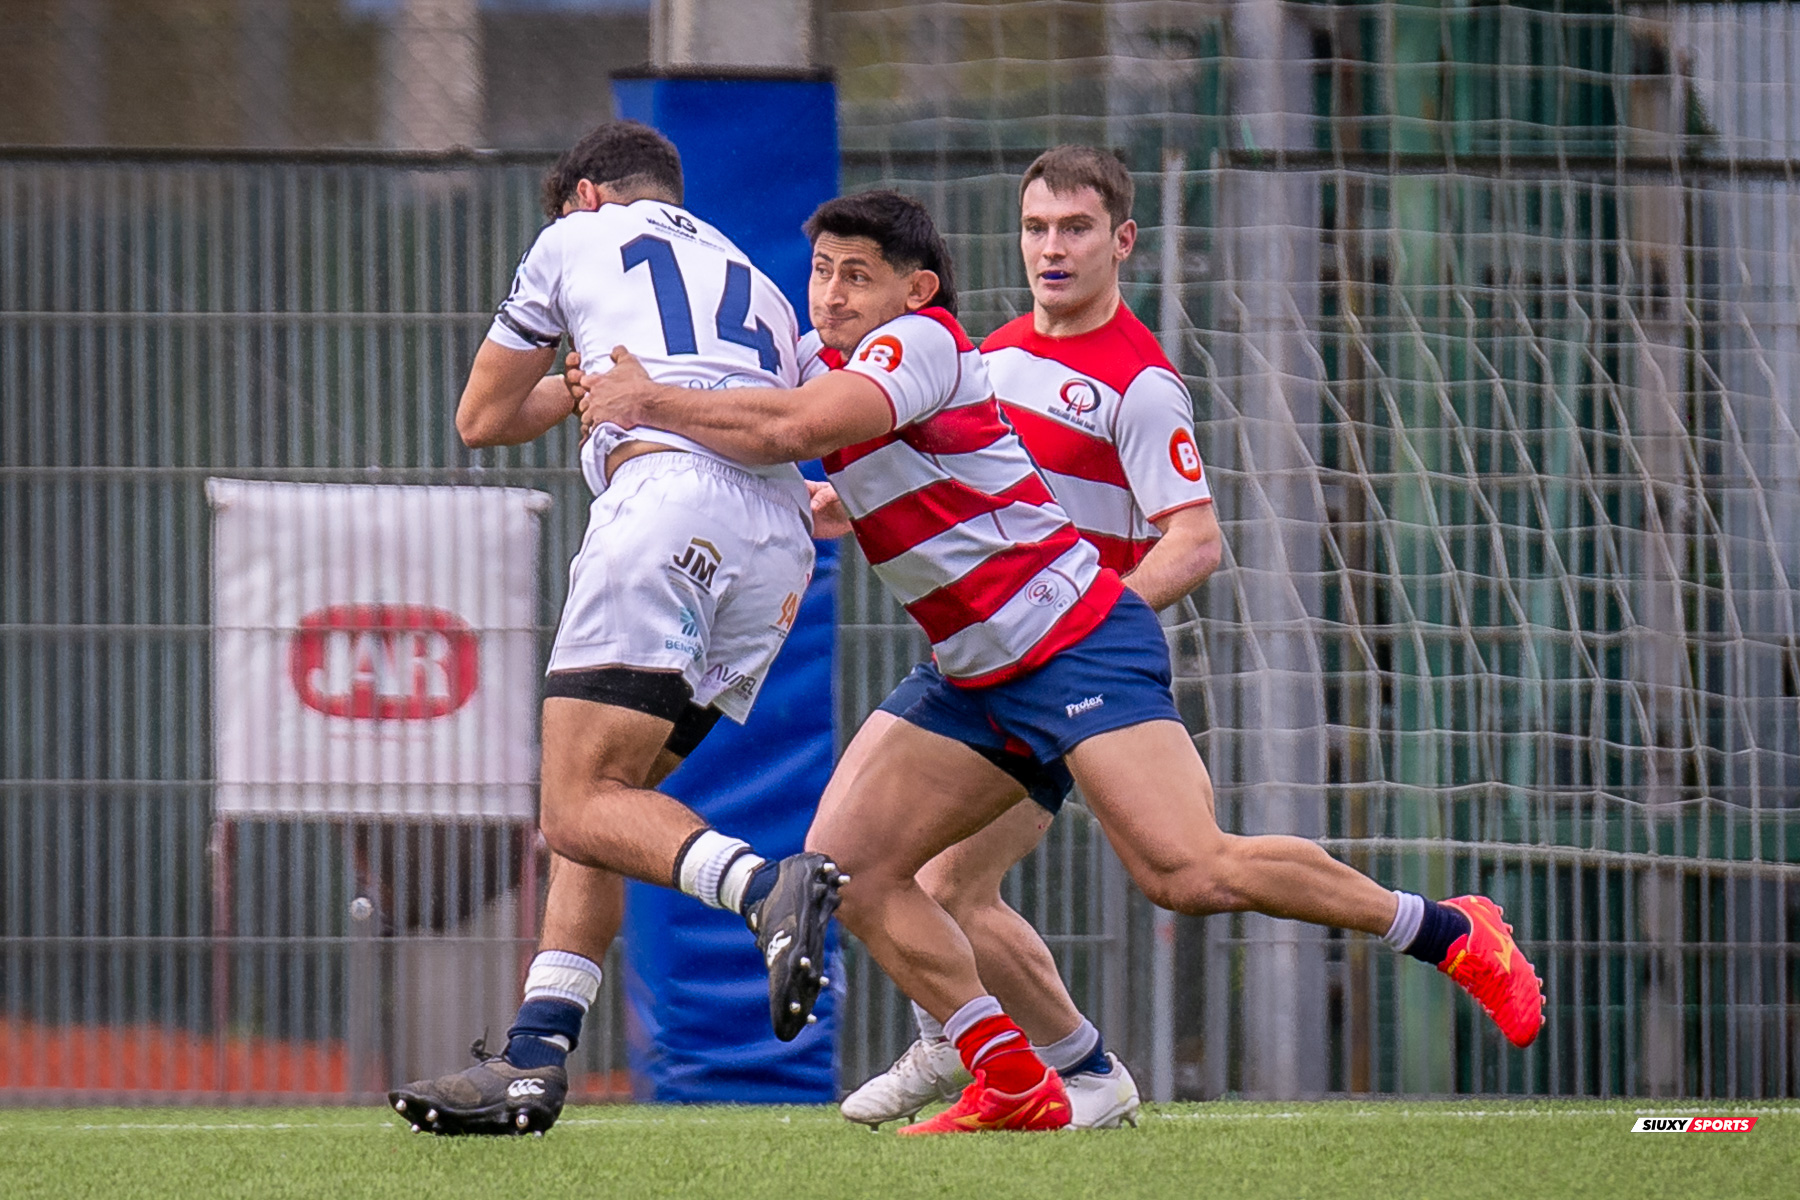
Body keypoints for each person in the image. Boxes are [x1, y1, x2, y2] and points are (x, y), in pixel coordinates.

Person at [581, 186, 1545, 1135]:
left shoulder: (921, 343)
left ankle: (1451, 932)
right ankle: (1014, 1071)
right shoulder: (864, 356)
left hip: (1078, 642)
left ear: (916, 291)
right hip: (972, 674)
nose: (829, 294)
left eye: (858, 277)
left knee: (1188, 872)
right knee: (849, 869)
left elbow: (791, 430)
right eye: (823, 272)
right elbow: (810, 460)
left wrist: (645, 400)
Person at [388, 121, 843, 1137]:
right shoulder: (757, 280)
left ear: (586, 196)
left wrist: (575, 384)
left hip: (666, 495)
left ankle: (766, 888)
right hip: (775, 537)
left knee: (575, 802)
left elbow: (483, 415)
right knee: (609, 799)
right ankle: (534, 1054)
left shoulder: (577, 238)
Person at [832, 146, 1221, 1131]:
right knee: (918, 875)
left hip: (1070, 667)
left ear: (1123, 241)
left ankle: (1031, 1060)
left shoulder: (1138, 384)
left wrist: (1097, 623)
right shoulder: (986, 357)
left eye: (1077, 228)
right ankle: (1000, 1051)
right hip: (984, 659)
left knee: (944, 880)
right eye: (1038, 227)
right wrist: (837, 499)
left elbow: (1198, 538)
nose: (1054, 248)